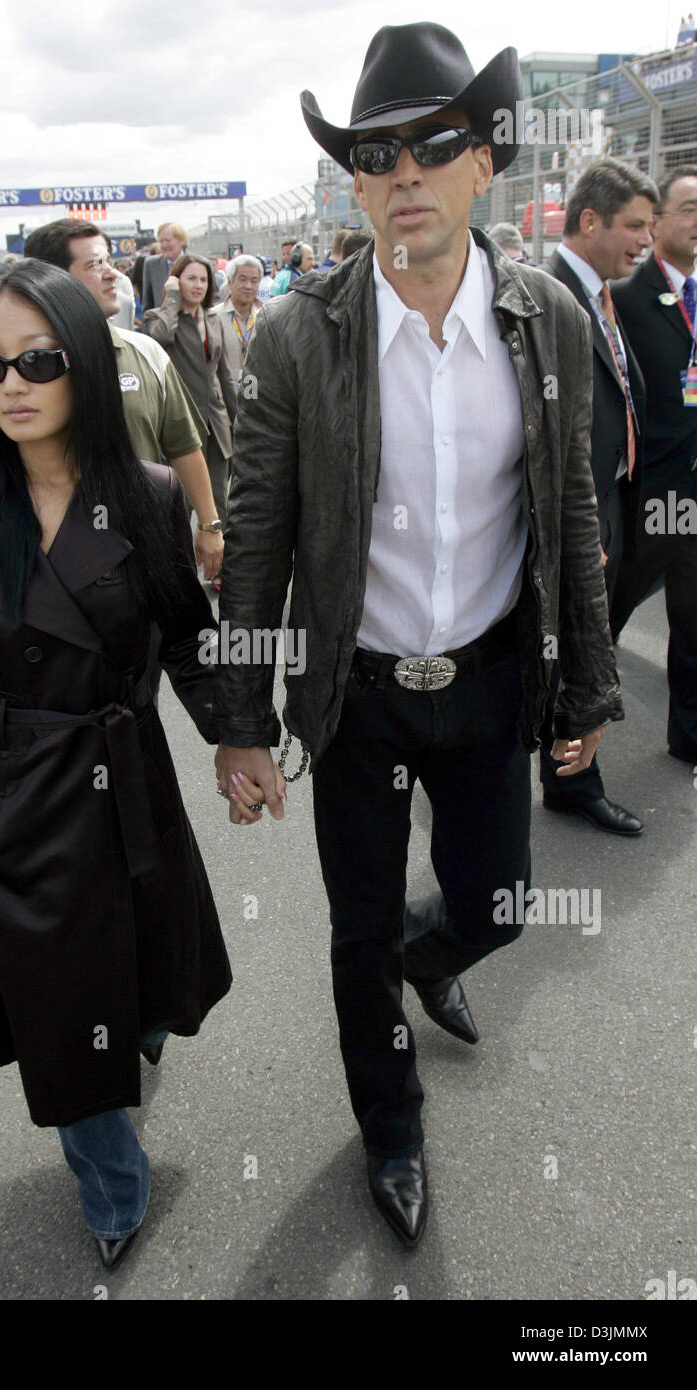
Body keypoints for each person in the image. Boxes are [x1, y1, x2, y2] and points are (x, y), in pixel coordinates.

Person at [213, 21, 623, 1249]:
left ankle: (427, 953)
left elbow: (571, 507)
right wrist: (239, 723)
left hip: (493, 678)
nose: (403, 174)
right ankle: (387, 1127)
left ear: (482, 161)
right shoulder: (300, 334)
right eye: (374, 153)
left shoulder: (543, 318)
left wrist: (588, 683)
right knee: (352, 931)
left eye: (431, 146)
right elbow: (252, 540)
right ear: (353, 180)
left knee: (497, 902)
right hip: (360, 693)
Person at [0, 259, 234, 1273]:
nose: (12, 385)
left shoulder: (151, 494)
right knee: (67, 1017)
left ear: (80, 359)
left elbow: (187, 641)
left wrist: (238, 742)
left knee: (142, 977)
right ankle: (113, 1184)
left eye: (38, 358)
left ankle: (139, 1030)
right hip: (18, 807)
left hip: (128, 779)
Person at [539, 158, 656, 833]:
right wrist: (582, 534)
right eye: (634, 226)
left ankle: (566, 776)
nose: (645, 238)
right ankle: (572, 782)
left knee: (582, 648)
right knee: (574, 648)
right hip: (576, 514)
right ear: (591, 222)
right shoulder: (551, 295)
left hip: (610, 503)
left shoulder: (604, 297)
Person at [23, 218, 224, 578]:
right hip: (48, 563)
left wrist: (209, 526)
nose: (112, 274)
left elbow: (182, 445)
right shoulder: (16, 369)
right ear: (53, 279)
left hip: (144, 552)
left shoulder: (145, 352)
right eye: (96, 264)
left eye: (110, 262)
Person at [611, 164, 697, 766]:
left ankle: (689, 736)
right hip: (648, 494)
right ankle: (548, 733)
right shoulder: (623, 297)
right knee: (602, 615)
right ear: (658, 220)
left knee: (693, 622)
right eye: (688, 208)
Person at [143, 254, 237, 551]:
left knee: (220, 502)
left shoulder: (214, 318)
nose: (198, 285)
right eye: (190, 278)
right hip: (179, 426)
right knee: (179, 504)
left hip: (216, 423)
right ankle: (179, 572)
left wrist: (238, 420)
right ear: (175, 280)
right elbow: (157, 340)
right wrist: (171, 298)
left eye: (203, 279)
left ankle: (222, 569)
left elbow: (224, 375)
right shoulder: (158, 317)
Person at [214, 254, 263, 385]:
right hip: (224, 397)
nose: (248, 286)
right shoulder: (214, 317)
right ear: (230, 282)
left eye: (254, 281)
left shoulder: (265, 317)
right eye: (242, 279)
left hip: (256, 395)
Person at [141, 222, 188, 312]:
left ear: (181, 241)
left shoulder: (198, 263)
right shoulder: (151, 264)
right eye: (161, 241)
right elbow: (147, 304)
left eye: (167, 240)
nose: (164, 245)